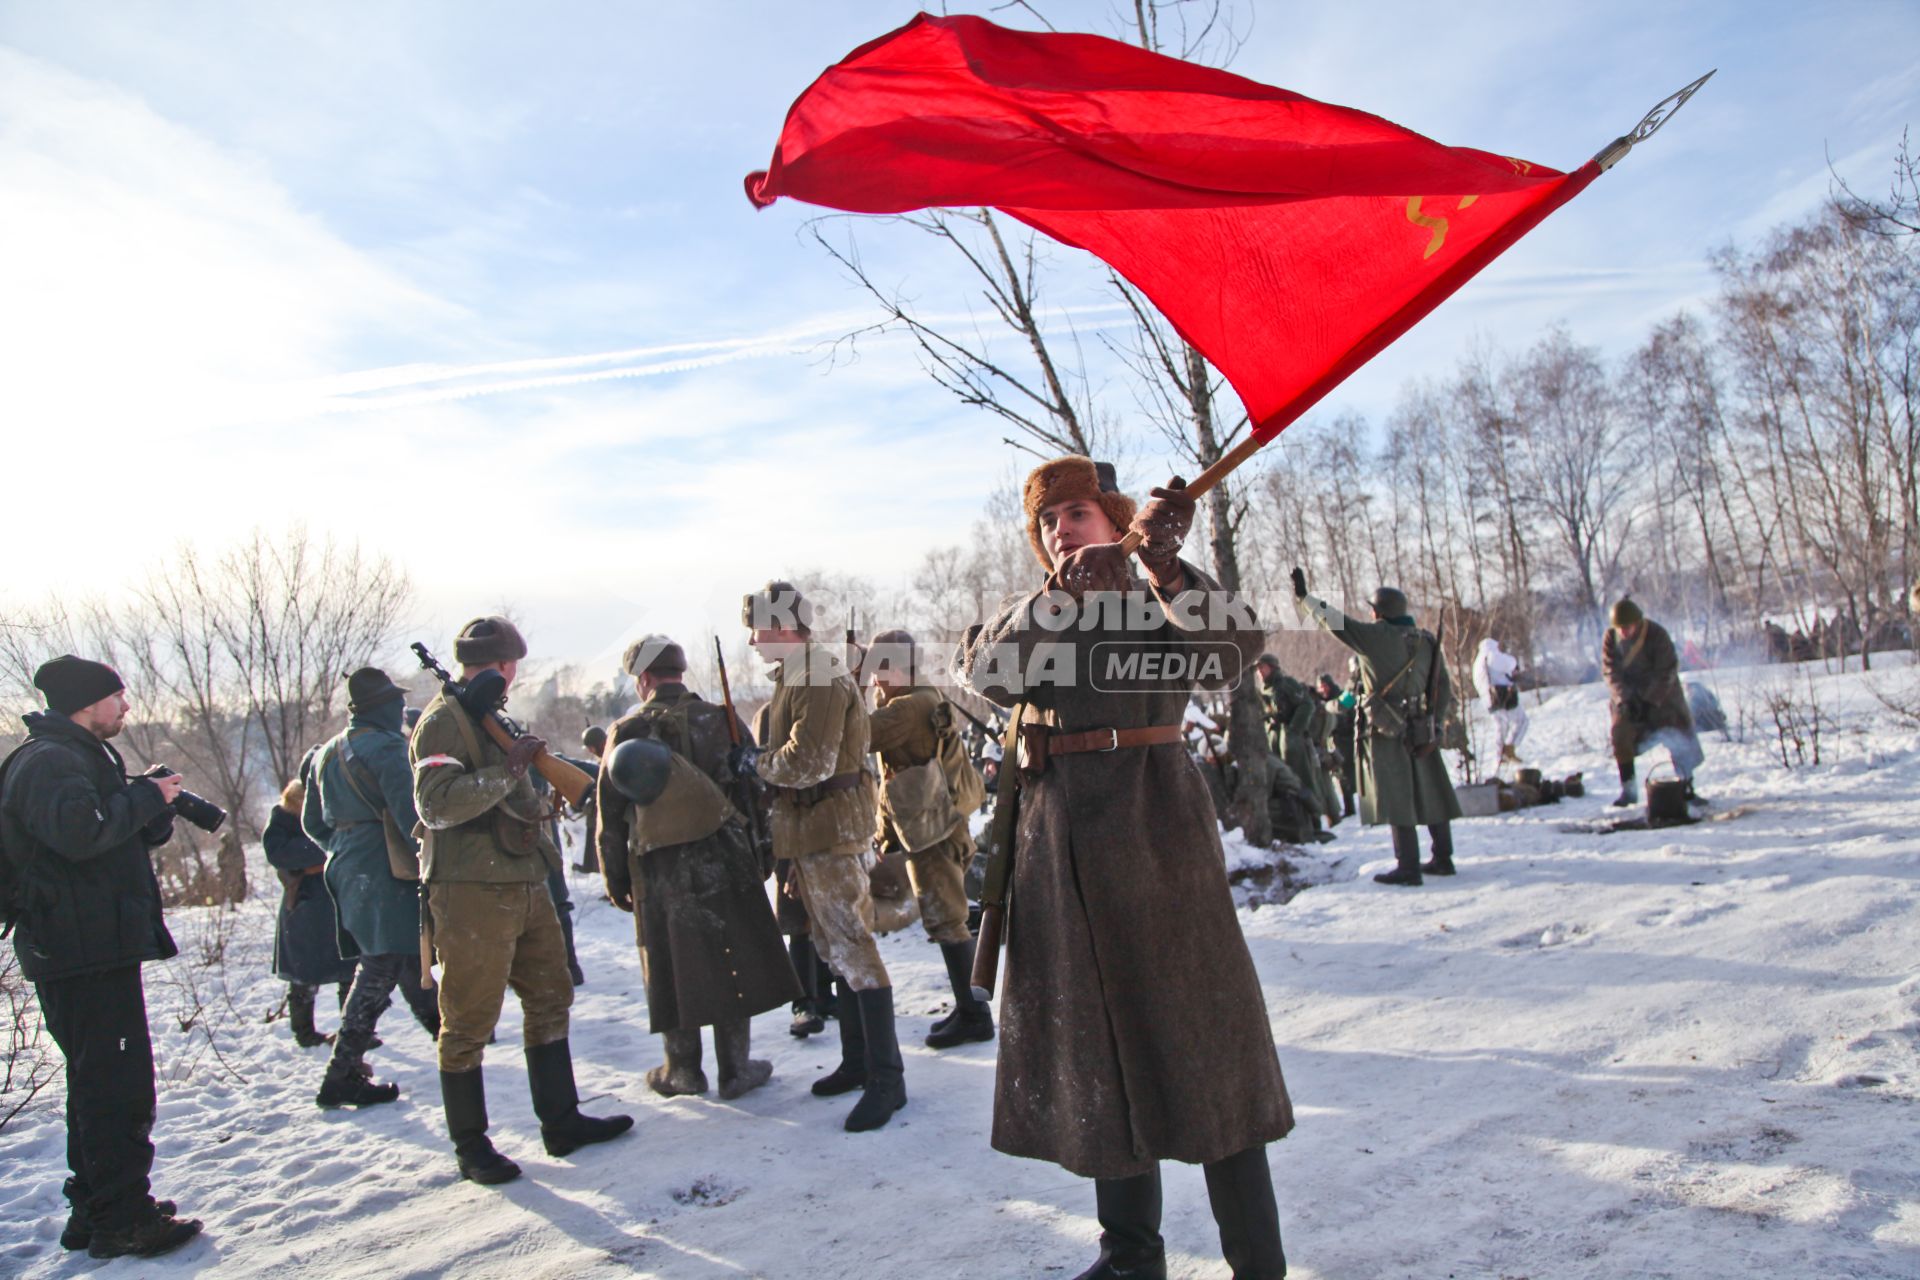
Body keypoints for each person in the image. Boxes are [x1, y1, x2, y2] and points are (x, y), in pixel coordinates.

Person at [959, 457, 1292, 1280]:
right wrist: (1061, 596)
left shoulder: (1159, 596)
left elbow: (1233, 651)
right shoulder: (1030, 612)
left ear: (1113, 520)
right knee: (1096, 1056)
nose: (1060, 530)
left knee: (1211, 1050)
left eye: (1076, 513)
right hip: (1060, 859)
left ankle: (1259, 1263)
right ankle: (1131, 1257)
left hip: (1157, 844)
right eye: (1047, 521)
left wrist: (1169, 566)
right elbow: (988, 674)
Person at [411, 617, 632, 1185]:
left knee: (551, 996)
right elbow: (435, 806)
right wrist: (507, 771)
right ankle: (471, 1146)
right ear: (507, 665)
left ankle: (561, 1121)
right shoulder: (443, 721)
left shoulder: (494, 717)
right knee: (467, 1020)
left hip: (526, 880)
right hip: (471, 892)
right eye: (513, 667)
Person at [0, 656, 202, 1258]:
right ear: (88, 703)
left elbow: (100, 835)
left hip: (87, 944)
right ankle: (122, 1219)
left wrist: (150, 805)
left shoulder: (75, 755)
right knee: (117, 1087)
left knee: (98, 1081)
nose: (127, 707)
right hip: (78, 949)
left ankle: (96, 1207)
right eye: (118, 696)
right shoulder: (52, 760)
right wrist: (140, 798)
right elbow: (81, 833)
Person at [596, 634, 798, 1099]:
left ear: (643, 679)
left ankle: (681, 1070)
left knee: (670, 960)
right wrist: (764, 853)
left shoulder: (626, 731)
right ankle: (736, 1069)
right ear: (679, 674)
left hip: (659, 865)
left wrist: (616, 877)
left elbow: (609, 815)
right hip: (726, 859)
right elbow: (757, 792)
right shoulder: (720, 720)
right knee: (732, 957)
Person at [739, 581, 903, 1132]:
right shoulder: (797, 675)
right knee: (835, 952)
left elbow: (809, 761)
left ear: (785, 627)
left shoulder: (815, 672)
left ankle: (888, 1079)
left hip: (833, 829)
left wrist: (756, 765)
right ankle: (859, 1063)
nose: (754, 641)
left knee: (854, 950)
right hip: (811, 831)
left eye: (760, 629)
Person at [303, 668, 441, 1108]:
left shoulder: (327, 752)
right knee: (381, 966)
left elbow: (313, 824)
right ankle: (341, 1074)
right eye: (396, 704)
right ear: (385, 708)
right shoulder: (386, 747)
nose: (402, 710)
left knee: (399, 957)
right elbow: (412, 819)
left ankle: (449, 1036)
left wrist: (347, 847)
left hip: (347, 867)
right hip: (385, 871)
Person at [865, 628, 993, 1048]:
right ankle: (967, 1006)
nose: (874, 680)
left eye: (879, 670)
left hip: (935, 832)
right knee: (947, 918)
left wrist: (846, 683)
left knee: (948, 919)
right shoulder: (921, 696)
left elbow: (855, 735)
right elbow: (893, 781)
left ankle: (975, 1015)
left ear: (899, 667)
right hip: (936, 825)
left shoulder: (908, 706)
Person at [1295, 572, 1462, 885]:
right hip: (1421, 726)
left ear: (1379, 612)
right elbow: (1442, 688)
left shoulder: (1375, 636)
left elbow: (1334, 621)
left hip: (1387, 729)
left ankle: (1408, 867)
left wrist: (1305, 599)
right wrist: (1435, 723)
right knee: (1432, 792)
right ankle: (1443, 858)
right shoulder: (1426, 640)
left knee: (1397, 796)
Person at [262, 771, 354, 1049]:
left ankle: (354, 1029)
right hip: (304, 903)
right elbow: (278, 852)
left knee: (349, 969)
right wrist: (323, 852)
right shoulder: (284, 817)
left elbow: (348, 841)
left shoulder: (335, 808)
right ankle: (304, 1033)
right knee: (303, 973)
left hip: (338, 898)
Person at [1601, 599, 1704, 807]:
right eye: (1619, 628)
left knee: (1679, 732)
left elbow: (1666, 670)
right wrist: (1626, 699)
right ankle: (1628, 791)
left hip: (1662, 697)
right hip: (1628, 700)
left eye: (1627, 627)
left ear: (1637, 623)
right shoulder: (1610, 638)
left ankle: (1687, 787)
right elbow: (1610, 672)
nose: (1624, 632)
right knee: (1620, 733)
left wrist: (1649, 700)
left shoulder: (1657, 635)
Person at [1471, 637, 1529, 767]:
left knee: (1500, 727)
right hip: (1503, 696)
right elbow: (1510, 663)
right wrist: (1513, 666)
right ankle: (1510, 749)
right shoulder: (1491, 655)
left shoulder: (1477, 663)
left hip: (1488, 700)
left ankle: (1500, 755)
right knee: (1522, 721)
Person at [1315, 673, 1357, 819]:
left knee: (1353, 773)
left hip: (1348, 740)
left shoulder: (1342, 697)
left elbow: (1348, 710)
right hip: (1333, 742)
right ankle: (1349, 807)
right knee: (1341, 776)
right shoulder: (1321, 703)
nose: (1323, 690)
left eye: (1325, 686)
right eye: (1320, 688)